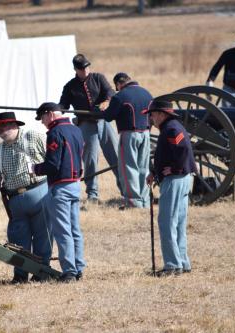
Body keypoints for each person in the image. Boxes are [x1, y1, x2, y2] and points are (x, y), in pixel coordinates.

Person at [0, 112, 51, 283]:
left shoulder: (33, 136)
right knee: (18, 239)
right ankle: (20, 275)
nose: (2, 129)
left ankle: (42, 272)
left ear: (15, 125)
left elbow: (51, 159)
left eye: (6, 125)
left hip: (39, 192)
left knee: (43, 236)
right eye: (0, 126)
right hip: (15, 201)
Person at [33, 102, 85, 282]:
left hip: (60, 186)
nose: (43, 122)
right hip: (75, 183)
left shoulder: (55, 133)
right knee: (75, 230)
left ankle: (69, 271)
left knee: (63, 231)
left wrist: (36, 168)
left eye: (43, 118)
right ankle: (79, 267)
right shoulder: (76, 130)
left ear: (50, 114)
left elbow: (52, 164)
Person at [144, 99, 197, 277]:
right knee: (178, 222)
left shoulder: (172, 128)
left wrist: (175, 169)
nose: (151, 117)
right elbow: (168, 155)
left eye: (152, 114)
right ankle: (182, 262)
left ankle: (173, 266)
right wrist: (155, 173)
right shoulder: (170, 127)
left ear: (162, 114)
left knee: (167, 222)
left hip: (175, 179)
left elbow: (182, 150)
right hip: (179, 178)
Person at [59, 54, 121, 203]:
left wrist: (106, 101)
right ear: (75, 69)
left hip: (104, 122)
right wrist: (53, 109)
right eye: (82, 68)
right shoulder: (70, 86)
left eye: (87, 67)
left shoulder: (98, 78)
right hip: (86, 124)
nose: (85, 70)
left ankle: (126, 189)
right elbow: (63, 105)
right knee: (90, 160)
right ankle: (93, 194)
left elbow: (110, 92)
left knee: (115, 156)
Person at [104, 72, 152, 209]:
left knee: (128, 168)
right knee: (143, 167)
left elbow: (108, 116)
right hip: (146, 133)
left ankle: (133, 201)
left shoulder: (120, 96)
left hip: (129, 134)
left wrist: (101, 110)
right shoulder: (146, 93)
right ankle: (145, 201)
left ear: (119, 84)